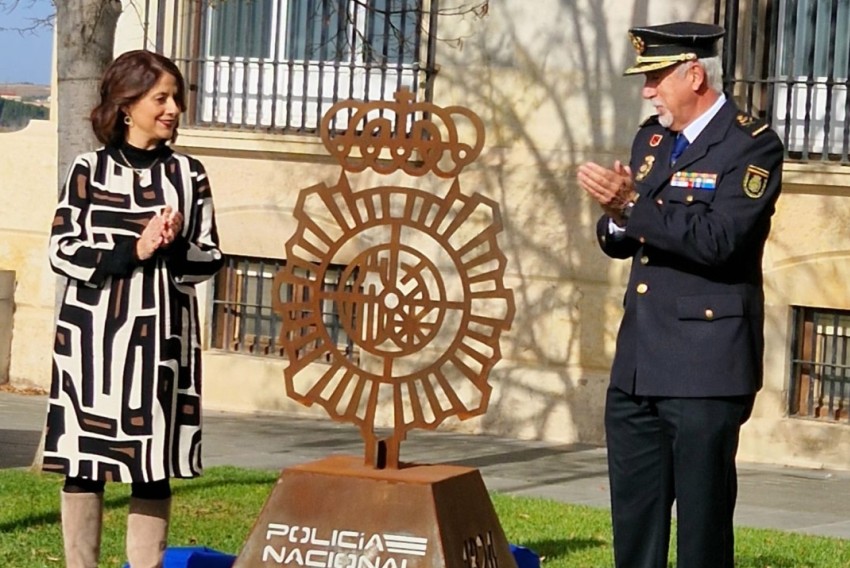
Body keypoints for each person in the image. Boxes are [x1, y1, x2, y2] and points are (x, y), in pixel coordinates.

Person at [576, 22, 784, 568]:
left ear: (694, 74)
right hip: (639, 365)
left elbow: (719, 241)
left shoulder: (752, 144)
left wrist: (633, 208)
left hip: (705, 368)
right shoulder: (652, 138)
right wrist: (618, 218)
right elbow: (632, 237)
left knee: (701, 529)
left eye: (656, 77)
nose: (648, 91)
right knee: (635, 524)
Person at [43, 49, 223, 568]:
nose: (173, 109)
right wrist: (133, 250)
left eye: (176, 99)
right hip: (91, 344)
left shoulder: (189, 174)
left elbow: (209, 256)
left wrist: (169, 246)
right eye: (161, 98)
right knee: (84, 464)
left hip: (161, 343)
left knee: (151, 467)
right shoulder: (88, 170)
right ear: (127, 105)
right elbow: (61, 249)